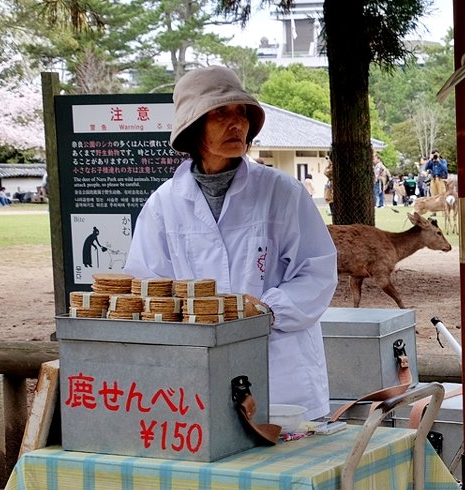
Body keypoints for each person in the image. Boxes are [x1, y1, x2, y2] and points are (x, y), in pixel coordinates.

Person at [125, 65, 337, 421]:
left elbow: (317, 272)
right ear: (194, 127)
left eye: (242, 113)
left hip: (281, 368)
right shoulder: (164, 203)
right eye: (220, 113)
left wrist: (267, 310)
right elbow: (147, 285)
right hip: (197, 371)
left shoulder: (282, 193)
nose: (236, 123)